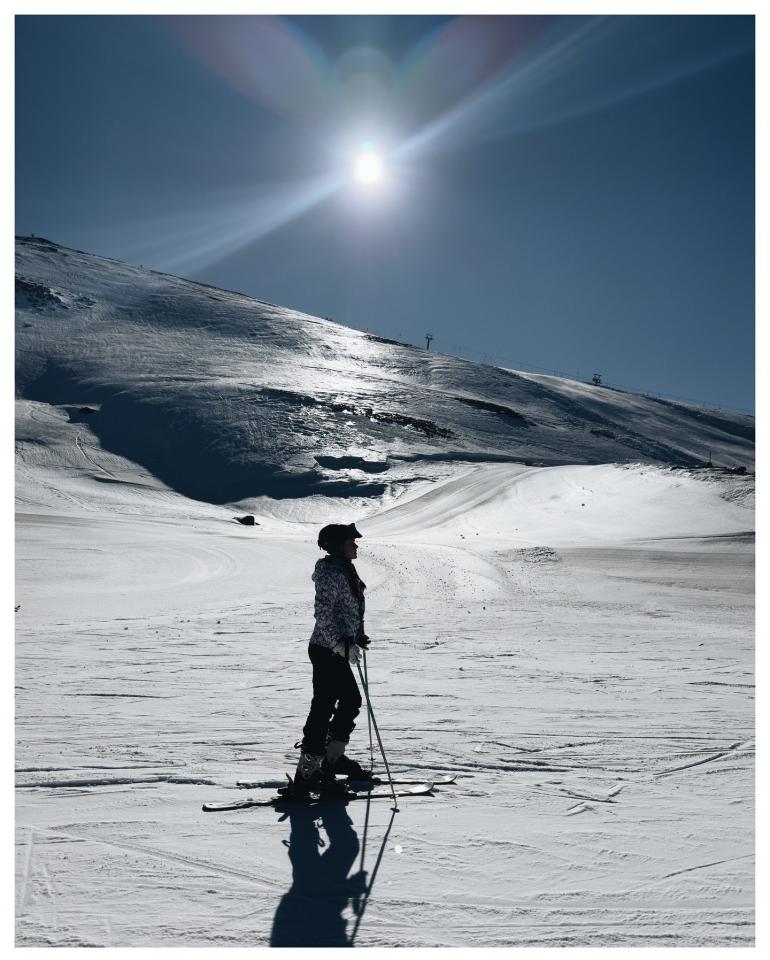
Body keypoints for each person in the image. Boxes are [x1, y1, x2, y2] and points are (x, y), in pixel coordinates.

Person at [293, 522, 372, 795]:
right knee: (327, 706)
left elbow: (348, 609)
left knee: (346, 701)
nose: (356, 545)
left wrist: (356, 635)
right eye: (352, 542)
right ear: (338, 546)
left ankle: (329, 760)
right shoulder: (330, 572)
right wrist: (339, 642)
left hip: (336, 648)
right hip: (326, 649)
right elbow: (324, 613)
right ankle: (310, 771)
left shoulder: (344, 570)